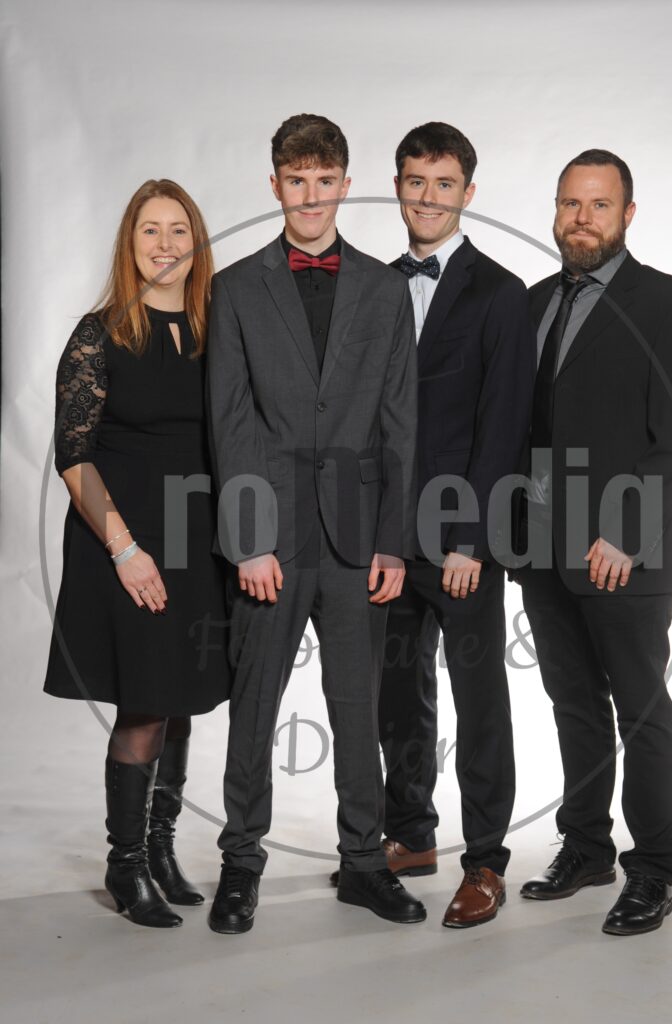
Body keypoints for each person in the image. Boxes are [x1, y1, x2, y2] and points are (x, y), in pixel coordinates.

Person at [206, 113, 424, 934]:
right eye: (295, 181)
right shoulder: (235, 288)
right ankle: (240, 861)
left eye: (323, 180)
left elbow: (399, 422)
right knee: (254, 703)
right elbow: (230, 422)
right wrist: (248, 539)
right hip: (271, 537)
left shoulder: (383, 289)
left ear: (344, 184)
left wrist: (394, 541)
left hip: (358, 536)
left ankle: (363, 863)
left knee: (357, 708)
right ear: (274, 186)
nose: (309, 195)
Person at [517, 150, 672, 935]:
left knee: (640, 710)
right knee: (572, 705)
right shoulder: (532, 302)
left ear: (626, 214)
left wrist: (623, 535)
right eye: (569, 203)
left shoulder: (671, 303)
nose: (581, 218)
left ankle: (652, 869)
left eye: (598, 205)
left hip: (623, 552)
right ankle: (586, 847)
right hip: (540, 548)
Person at [45, 179, 231, 928]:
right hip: (124, 540)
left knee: (179, 696)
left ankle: (160, 848)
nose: (165, 244)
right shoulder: (101, 334)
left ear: (196, 241)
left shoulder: (217, 328)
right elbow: (73, 455)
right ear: (130, 242)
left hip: (196, 540)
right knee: (145, 703)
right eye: (150, 230)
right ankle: (125, 865)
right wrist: (125, 550)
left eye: (178, 229)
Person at [363, 122, 535, 929]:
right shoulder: (373, 286)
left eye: (442, 184)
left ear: (467, 193)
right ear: (397, 187)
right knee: (398, 692)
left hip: (461, 539)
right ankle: (410, 833)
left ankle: (485, 861)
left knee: (478, 699)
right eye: (413, 181)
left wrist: (472, 540)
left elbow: (504, 425)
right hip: (386, 538)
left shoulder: (500, 292)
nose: (426, 197)